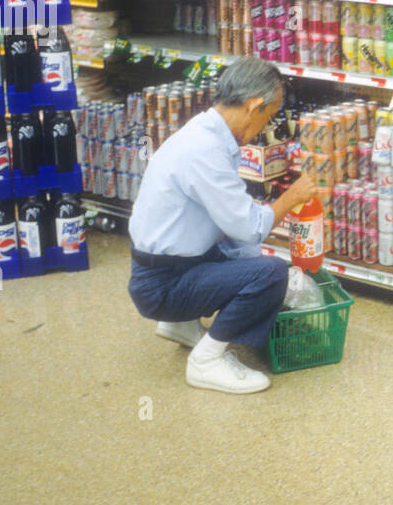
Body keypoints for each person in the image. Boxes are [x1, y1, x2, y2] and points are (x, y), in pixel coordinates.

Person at [128, 57, 317, 395]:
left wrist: (249, 263)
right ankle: (207, 361)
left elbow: (232, 230)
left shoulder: (203, 132)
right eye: (269, 117)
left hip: (164, 267)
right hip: (161, 285)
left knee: (245, 259)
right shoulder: (205, 151)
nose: (267, 127)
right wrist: (292, 197)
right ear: (254, 106)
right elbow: (249, 227)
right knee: (271, 273)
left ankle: (179, 325)